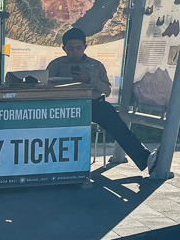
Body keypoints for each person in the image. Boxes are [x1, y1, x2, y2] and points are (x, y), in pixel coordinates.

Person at [47, 28, 157, 175]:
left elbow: (107, 90)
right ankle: (60, 167)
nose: (75, 52)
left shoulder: (95, 65)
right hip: (66, 106)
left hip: (93, 104)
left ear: (85, 47)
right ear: (64, 48)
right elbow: (45, 85)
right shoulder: (56, 65)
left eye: (79, 48)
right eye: (71, 48)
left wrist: (89, 80)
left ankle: (145, 158)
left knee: (117, 123)